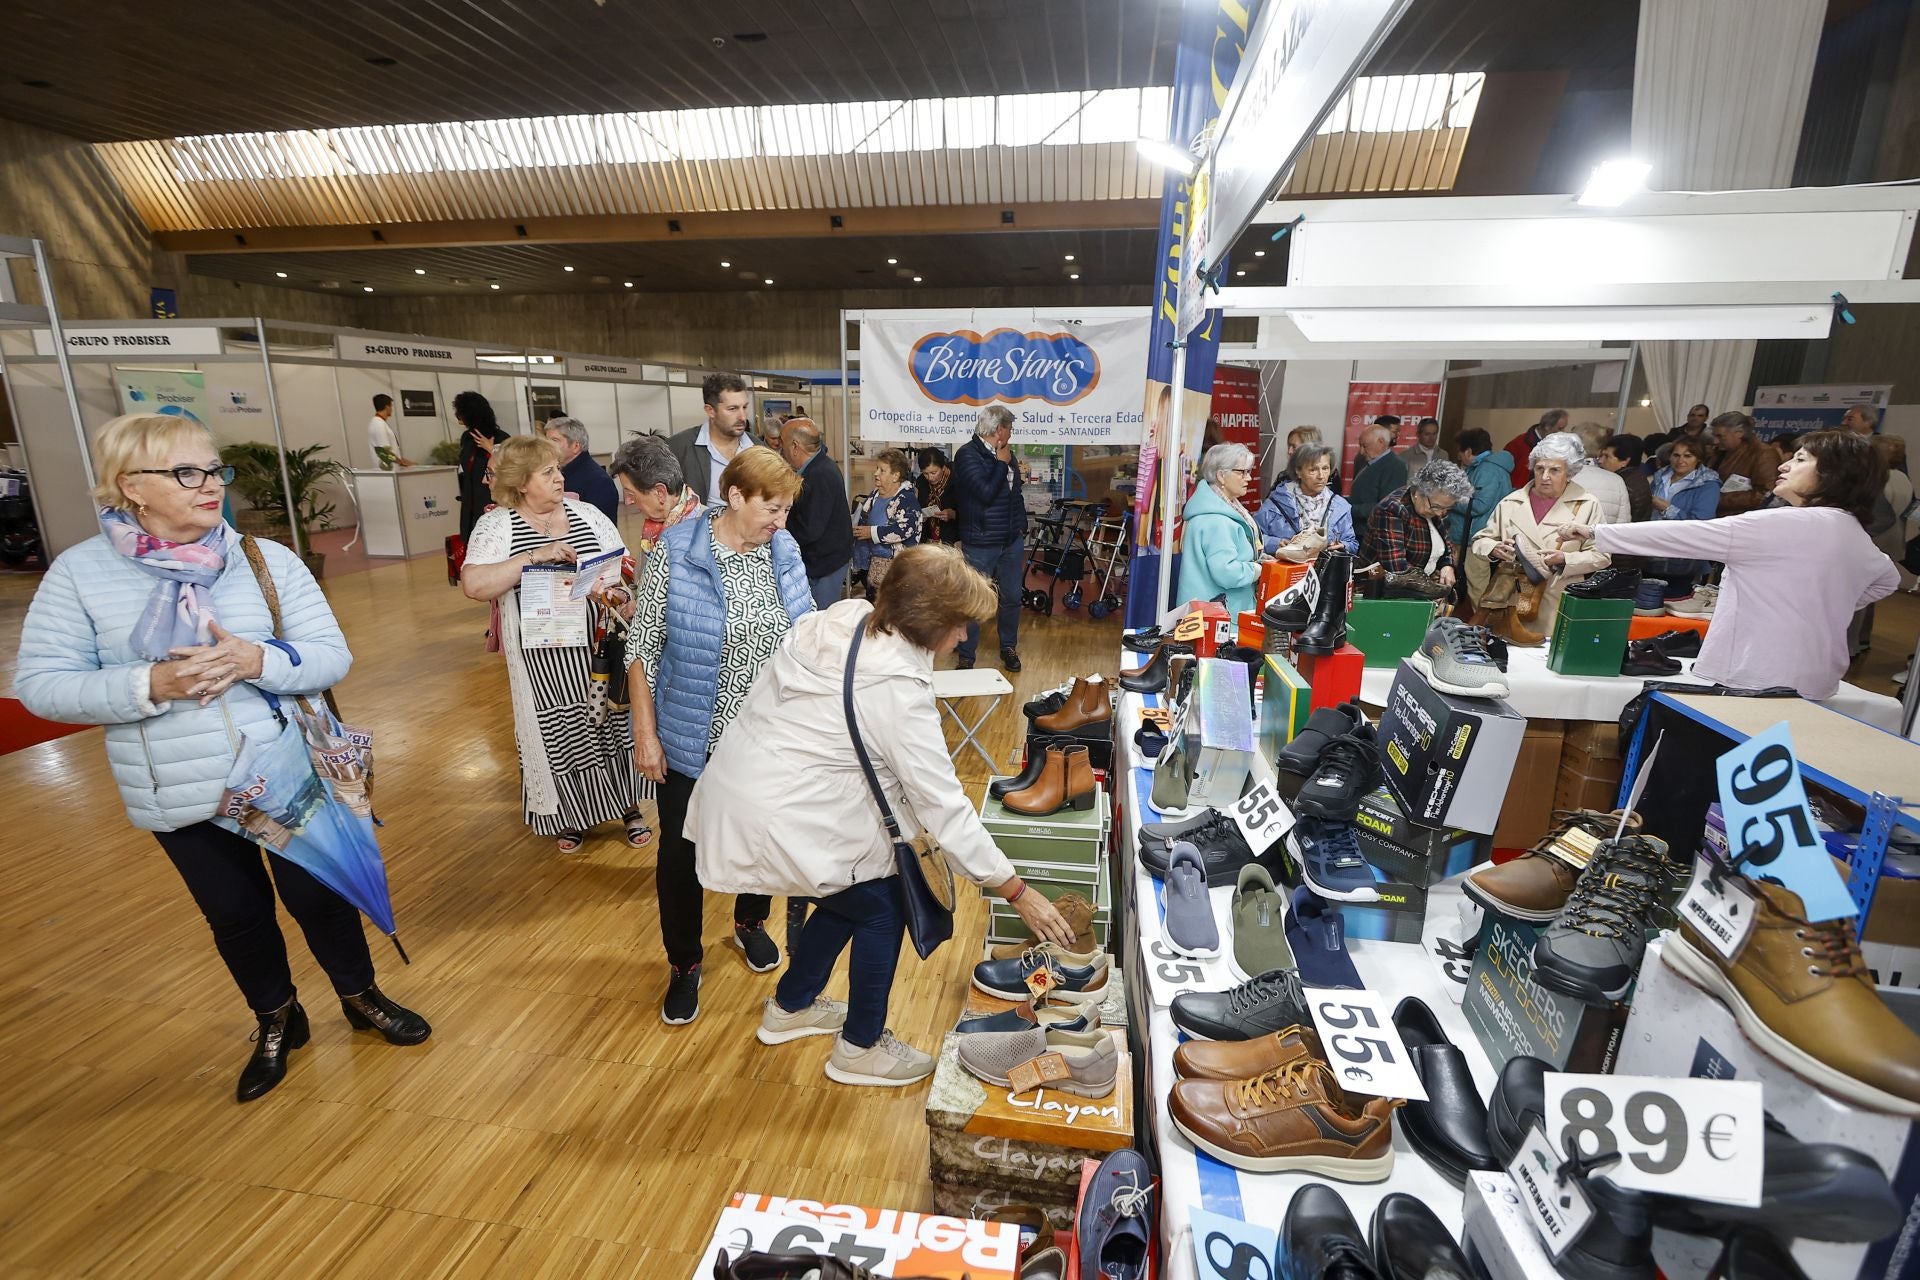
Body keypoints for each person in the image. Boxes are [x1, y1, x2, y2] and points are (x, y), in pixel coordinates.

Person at [15, 413, 429, 1103]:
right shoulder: (80, 575)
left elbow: (331, 655)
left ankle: (361, 997)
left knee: (320, 897)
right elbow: (40, 686)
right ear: (130, 487)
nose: (210, 485)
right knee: (234, 913)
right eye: (187, 472)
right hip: (179, 785)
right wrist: (149, 683)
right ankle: (275, 1020)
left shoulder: (264, 559)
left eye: (213, 469)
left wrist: (254, 658)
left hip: (287, 771)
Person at [689, 545, 1075, 1087]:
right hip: (779, 811)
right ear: (930, 621)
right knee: (883, 903)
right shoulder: (896, 687)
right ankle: (860, 1047)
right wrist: (1015, 889)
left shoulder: (847, 617)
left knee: (854, 894)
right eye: (961, 625)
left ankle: (791, 1006)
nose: (965, 638)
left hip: (748, 786)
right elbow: (943, 806)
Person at [627, 447, 814, 1026]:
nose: (780, 522)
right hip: (691, 734)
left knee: (759, 841)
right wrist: (645, 734)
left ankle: (749, 922)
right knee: (681, 858)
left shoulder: (783, 550)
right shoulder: (677, 553)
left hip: (765, 738)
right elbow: (642, 648)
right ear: (736, 496)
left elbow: (804, 636)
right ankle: (684, 965)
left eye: (786, 510)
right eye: (773, 508)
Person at [1559, 432, 1898, 700]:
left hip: (1755, 678)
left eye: (1799, 460)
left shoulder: (1780, 524)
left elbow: (1683, 535)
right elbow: (1887, 580)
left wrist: (1595, 532)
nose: (1784, 466)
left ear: (1833, 473)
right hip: (1819, 679)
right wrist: (1824, 606)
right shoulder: (1855, 534)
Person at [461, 436, 652, 855]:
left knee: (611, 727)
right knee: (559, 733)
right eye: (548, 472)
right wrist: (533, 557)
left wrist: (616, 592)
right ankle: (571, 814)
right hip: (541, 659)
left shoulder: (586, 514)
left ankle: (628, 807)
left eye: (557, 469)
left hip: (597, 647)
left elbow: (620, 569)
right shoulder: (498, 525)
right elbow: (474, 584)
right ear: (521, 481)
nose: (558, 477)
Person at [1470, 433, 1609, 631]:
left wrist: (1565, 559)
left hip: (1557, 600)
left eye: (1554, 470)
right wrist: (1494, 548)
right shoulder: (1512, 502)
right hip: (1511, 599)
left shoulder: (1587, 504)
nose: (1544, 477)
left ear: (1569, 473)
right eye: (1540, 468)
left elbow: (1602, 555)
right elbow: (1480, 540)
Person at [950, 405, 1028, 672]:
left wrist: (1021, 526)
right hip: (980, 542)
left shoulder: (1007, 455)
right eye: (1010, 428)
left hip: (1010, 541)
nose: (1012, 434)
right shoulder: (966, 455)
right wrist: (1000, 463)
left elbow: (1013, 493)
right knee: (974, 598)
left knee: (1011, 598)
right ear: (999, 429)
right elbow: (984, 492)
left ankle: (1008, 647)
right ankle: (966, 655)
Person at [1177, 443, 1268, 616]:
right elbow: (1227, 573)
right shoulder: (1217, 521)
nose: (1248, 478)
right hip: (1218, 618)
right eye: (1242, 472)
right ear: (1221, 476)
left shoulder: (1214, 509)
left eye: (1249, 471)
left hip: (1207, 613)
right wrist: (1259, 569)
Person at [779, 416, 856, 608]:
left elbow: (809, 529)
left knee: (818, 622)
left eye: (783, 443)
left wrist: (777, 526)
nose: (781, 450)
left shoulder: (818, 475)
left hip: (824, 566)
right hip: (825, 560)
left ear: (795, 446)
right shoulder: (820, 466)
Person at [1364, 461, 1472, 596]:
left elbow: (1446, 544)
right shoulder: (1392, 509)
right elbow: (1397, 569)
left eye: (1447, 508)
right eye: (1436, 507)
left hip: (1422, 591)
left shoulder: (1436, 507)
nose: (1440, 513)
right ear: (1419, 492)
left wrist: (1447, 565)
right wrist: (1432, 584)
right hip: (1384, 596)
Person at [1645, 436, 1722, 594]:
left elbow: (1702, 523)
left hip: (1682, 557)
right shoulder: (1660, 477)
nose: (1680, 460)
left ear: (1698, 459)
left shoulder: (1708, 485)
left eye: (1688, 456)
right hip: (1651, 551)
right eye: (1676, 455)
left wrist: (1667, 509)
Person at [1255, 442, 1357, 555]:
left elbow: (1352, 543)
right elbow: (1252, 539)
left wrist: (1342, 546)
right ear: (1298, 472)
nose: (1321, 476)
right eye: (1313, 470)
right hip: (1286, 570)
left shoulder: (1340, 506)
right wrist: (1275, 543)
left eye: (1325, 468)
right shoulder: (1276, 503)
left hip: (1325, 570)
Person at [1448, 429, 1514, 603]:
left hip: (1476, 537)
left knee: (1478, 588)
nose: (1459, 457)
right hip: (1475, 535)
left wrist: (1448, 499)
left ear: (1469, 451)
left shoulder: (1487, 470)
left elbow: (1479, 505)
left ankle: (1483, 626)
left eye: (1460, 452)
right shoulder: (1487, 468)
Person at [669, 372, 755, 505]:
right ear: (710, 410)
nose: (742, 417)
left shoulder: (758, 448)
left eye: (744, 407)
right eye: (733, 409)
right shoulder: (679, 449)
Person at [610, 433, 701, 553]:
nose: (627, 502)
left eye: (631, 494)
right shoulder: (652, 529)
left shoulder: (707, 531)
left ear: (660, 493)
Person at [852, 448, 923, 595]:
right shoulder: (874, 495)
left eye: (882, 470)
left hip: (896, 573)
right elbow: (862, 522)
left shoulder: (906, 500)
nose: (876, 473)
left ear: (895, 476)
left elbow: (905, 530)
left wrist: (872, 532)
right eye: (877, 468)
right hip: (871, 568)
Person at [542, 415, 620, 523]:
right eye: (546, 441)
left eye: (554, 441)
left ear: (576, 446)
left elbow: (600, 526)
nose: (547, 446)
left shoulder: (598, 481)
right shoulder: (556, 473)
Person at [454, 390, 509, 541]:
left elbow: (511, 467)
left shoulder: (501, 438)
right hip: (470, 499)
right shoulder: (467, 438)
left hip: (491, 500)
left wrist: (491, 449)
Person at [1708, 412, 1782, 517]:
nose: (1715, 441)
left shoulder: (1763, 454)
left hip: (1740, 518)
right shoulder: (1718, 452)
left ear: (1739, 433)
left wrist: (1715, 498)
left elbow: (1766, 495)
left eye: (1720, 436)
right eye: (1715, 436)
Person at [1569, 421, 1631, 527]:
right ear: (1600, 450)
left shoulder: (1562, 476)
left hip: (1563, 541)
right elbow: (1622, 525)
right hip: (1602, 541)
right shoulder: (1617, 481)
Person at [1347, 423, 1407, 530]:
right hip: (1354, 528)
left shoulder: (1396, 466)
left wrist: (1349, 509)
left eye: (1365, 446)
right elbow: (1361, 495)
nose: (1361, 451)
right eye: (1360, 446)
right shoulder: (1363, 460)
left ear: (1381, 442)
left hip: (1373, 533)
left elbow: (1386, 506)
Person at [1500, 409, 1569, 489]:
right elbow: (1503, 472)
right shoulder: (1518, 444)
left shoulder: (1556, 447)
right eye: (1560, 429)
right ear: (1547, 427)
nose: (1562, 432)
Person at [1600, 435, 1654, 522]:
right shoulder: (1635, 478)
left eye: (1607, 456)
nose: (1600, 461)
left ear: (1625, 461)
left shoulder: (1623, 486)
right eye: (1601, 455)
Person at [1653, 403, 1713, 472]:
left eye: (1700, 416)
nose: (1695, 418)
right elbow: (1666, 452)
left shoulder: (1709, 435)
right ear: (1688, 416)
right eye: (1692, 415)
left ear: (1706, 418)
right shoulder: (1675, 432)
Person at [915, 448, 956, 544]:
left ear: (943, 467)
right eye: (925, 473)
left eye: (934, 473)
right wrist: (921, 515)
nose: (930, 477)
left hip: (952, 539)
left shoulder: (956, 479)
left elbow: (969, 511)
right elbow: (920, 506)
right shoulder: (921, 482)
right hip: (928, 539)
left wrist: (953, 514)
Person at [368, 394, 413, 469]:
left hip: (390, 471)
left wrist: (404, 461)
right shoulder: (379, 425)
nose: (391, 409)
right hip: (387, 471)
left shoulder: (378, 423)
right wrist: (402, 462)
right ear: (387, 407)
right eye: (391, 406)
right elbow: (385, 452)